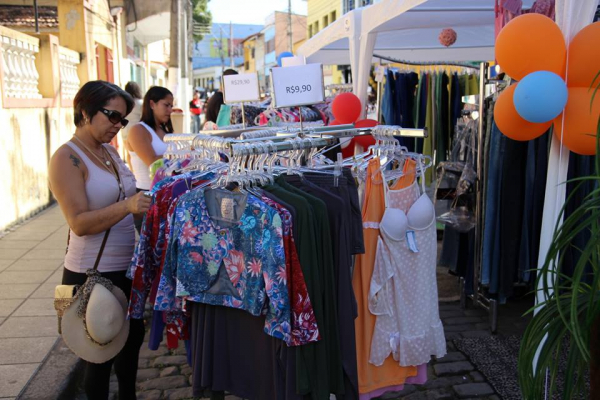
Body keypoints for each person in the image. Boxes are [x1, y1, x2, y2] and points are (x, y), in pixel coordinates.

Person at [48, 80, 151, 400]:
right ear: (85, 111)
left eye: (122, 120)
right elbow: (77, 223)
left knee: (131, 345)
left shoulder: (108, 150)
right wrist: (128, 206)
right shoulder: (67, 157)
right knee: (97, 358)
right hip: (90, 274)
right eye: (111, 117)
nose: (117, 126)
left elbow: (130, 192)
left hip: (125, 270)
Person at [127, 86, 173, 192]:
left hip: (166, 191)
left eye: (171, 106)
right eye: (166, 105)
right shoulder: (138, 130)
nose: (170, 110)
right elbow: (152, 163)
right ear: (152, 104)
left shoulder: (164, 130)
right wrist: (182, 154)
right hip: (147, 193)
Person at [122, 81, 143, 169]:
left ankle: (132, 170)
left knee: (129, 153)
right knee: (137, 153)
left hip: (125, 129)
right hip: (137, 131)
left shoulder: (125, 103)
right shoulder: (140, 103)